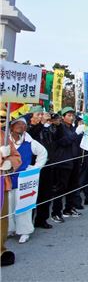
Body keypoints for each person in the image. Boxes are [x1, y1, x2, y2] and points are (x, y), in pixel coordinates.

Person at [8, 116, 48, 244]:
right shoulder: (4, 140)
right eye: (18, 124)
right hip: (7, 178)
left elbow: (43, 153)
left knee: (23, 206)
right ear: (12, 127)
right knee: (8, 205)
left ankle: (25, 231)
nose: (21, 126)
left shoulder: (30, 142)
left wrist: (35, 169)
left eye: (23, 124)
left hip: (23, 179)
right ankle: (9, 229)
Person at [51, 107, 85, 222]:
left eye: (72, 116)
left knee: (72, 186)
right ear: (63, 117)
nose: (71, 118)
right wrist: (76, 133)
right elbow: (63, 142)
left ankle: (69, 209)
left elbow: (78, 142)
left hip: (74, 160)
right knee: (60, 188)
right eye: (69, 115)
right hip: (63, 162)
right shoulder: (60, 128)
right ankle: (56, 212)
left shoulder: (74, 128)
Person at [26, 106, 56, 229]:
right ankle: (28, 222)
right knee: (32, 195)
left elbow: (54, 138)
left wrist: (50, 125)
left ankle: (42, 219)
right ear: (31, 116)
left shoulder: (45, 128)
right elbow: (31, 135)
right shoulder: (27, 129)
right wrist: (42, 124)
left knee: (46, 193)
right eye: (38, 115)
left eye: (41, 115)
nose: (40, 117)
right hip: (33, 166)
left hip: (47, 164)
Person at [0, 110, 22, 266]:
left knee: (2, 219)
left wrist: (10, 162)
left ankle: (0, 248)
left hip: (2, 182)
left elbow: (16, 156)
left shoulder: (3, 135)